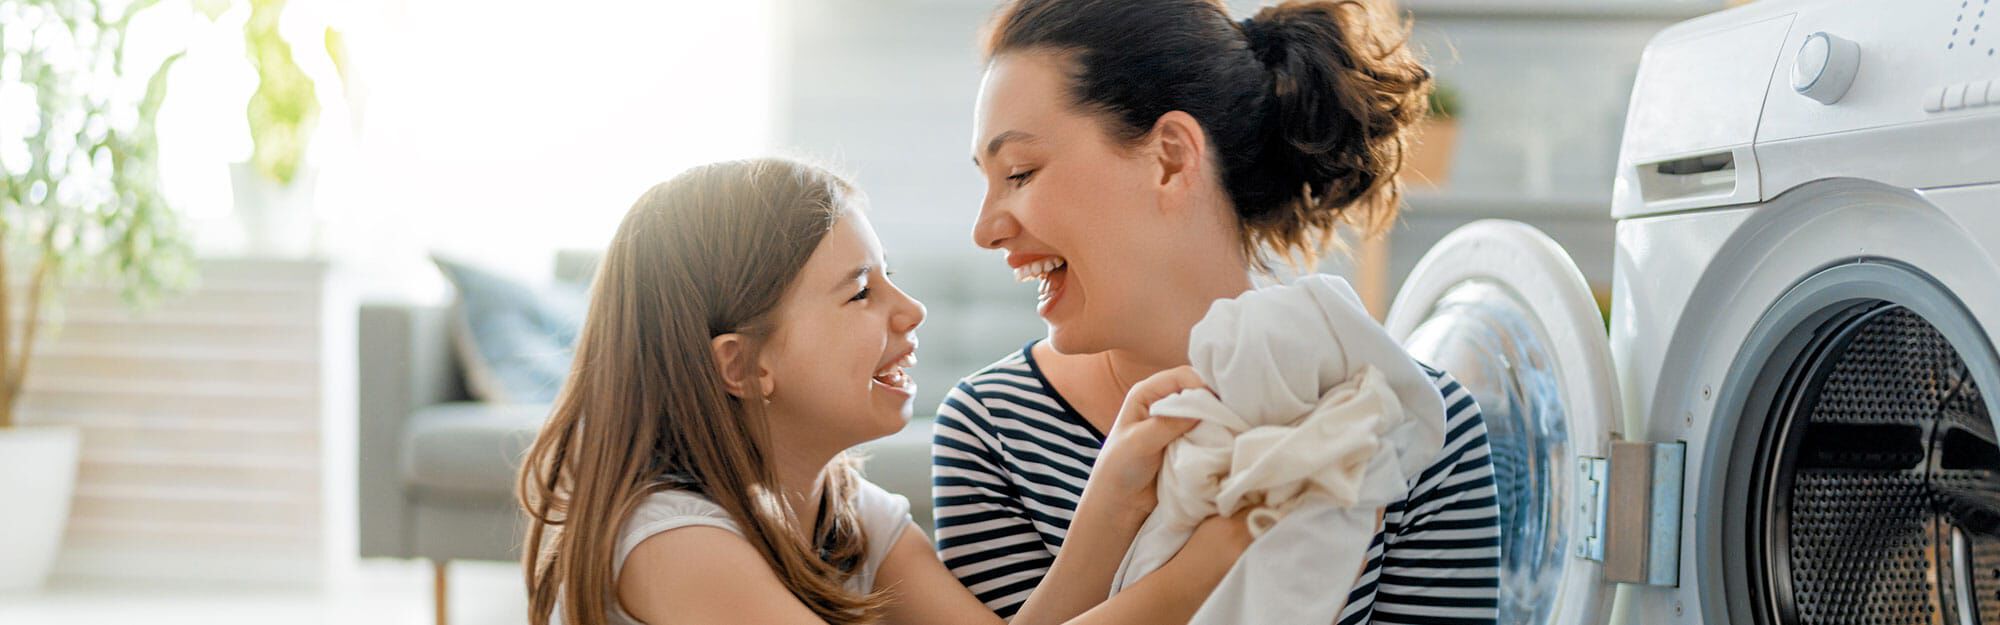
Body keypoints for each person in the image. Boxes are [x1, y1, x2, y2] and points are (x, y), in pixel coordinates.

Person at [934, 1, 1501, 622]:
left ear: (1172, 158)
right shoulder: (991, 427)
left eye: (1019, 172)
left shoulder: (1413, 424)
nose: (985, 230)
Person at [517, 158, 1250, 625]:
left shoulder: (852, 516)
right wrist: (1208, 566)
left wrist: (1113, 501)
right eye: (861, 292)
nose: (911, 309)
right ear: (741, 366)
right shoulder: (673, 545)